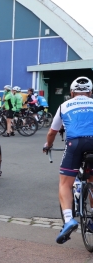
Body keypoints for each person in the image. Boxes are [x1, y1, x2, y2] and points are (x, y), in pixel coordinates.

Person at [43, 77, 93, 244]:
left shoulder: (64, 105)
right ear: (90, 93)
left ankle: (68, 219)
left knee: (65, 184)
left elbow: (52, 132)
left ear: (71, 93)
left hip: (75, 143)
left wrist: (47, 145)